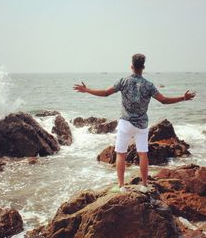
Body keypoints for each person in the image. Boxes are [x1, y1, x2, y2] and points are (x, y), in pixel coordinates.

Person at [73, 54, 196, 193]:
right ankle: (144, 185)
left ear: (131, 66)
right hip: (141, 125)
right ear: (143, 67)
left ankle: (121, 186)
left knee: (120, 154)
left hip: (125, 123)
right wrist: (183, 98)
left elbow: (106, 93)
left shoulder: (123, 81)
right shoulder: (149, 85)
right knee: (143, 154)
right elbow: (164, 100)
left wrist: (87, 89)